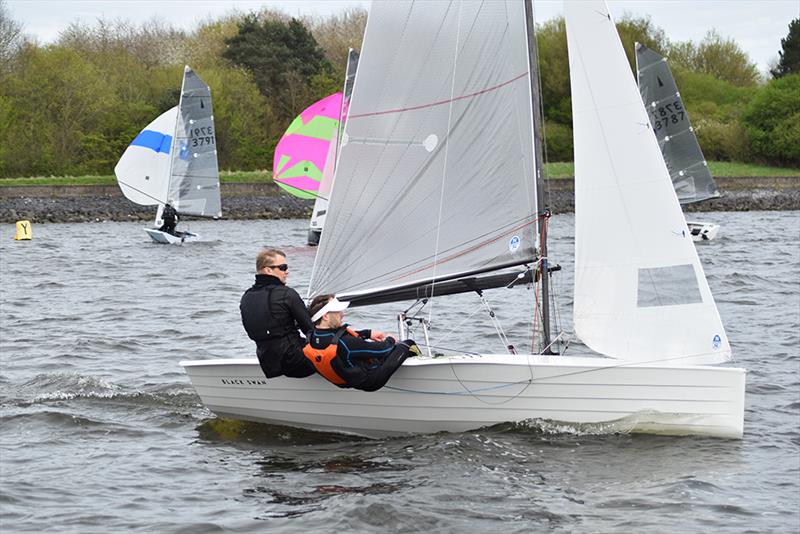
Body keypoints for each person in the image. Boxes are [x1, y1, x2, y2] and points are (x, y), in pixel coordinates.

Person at [303, 294, 420, 392]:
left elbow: (340, 338)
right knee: (407, 344)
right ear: (326, 316)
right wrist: (391, 339)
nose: (342, 314)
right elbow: (382, 350)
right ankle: (420, 361)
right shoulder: (346, 343)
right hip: (372, 381)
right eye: (338, 311)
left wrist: (368, 333)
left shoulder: (312, 337)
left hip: (345, 380)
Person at [240, 248, 316, 379]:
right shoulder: (287, 294)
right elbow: (311, 331)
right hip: (297, 362)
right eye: (282, 267)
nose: (287, 271)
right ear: (268, 270)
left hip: (268, 364)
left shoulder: (246, 297)